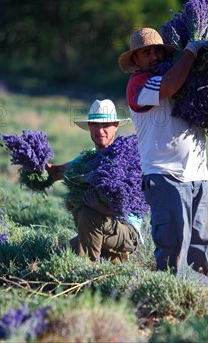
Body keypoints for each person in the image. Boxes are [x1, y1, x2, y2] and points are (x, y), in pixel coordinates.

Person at [119, 27, 208, 283]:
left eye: (157, 51)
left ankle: (201, 302)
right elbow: (170, 86)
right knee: (173, 249)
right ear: (136, 60)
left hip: (197, 175)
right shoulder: (138, 84)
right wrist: (191, 53)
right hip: (165, 175)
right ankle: (168, 302)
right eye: (146, 52)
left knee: (200, 248)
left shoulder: (180, 78)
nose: (153, 56)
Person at [47, 99, 141, 264]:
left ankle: (91, 270)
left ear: (116, 125)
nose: (100, 130)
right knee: (57, 257)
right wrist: (35, 162)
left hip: (125, 232)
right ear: (89, 127)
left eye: (105, 125)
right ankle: (110, 257)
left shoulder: (126, 159)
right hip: (96, 228)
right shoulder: (87, 159)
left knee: (87, 213)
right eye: (95, 125)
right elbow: (57, 172)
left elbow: (126, 205)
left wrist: (101, 208)